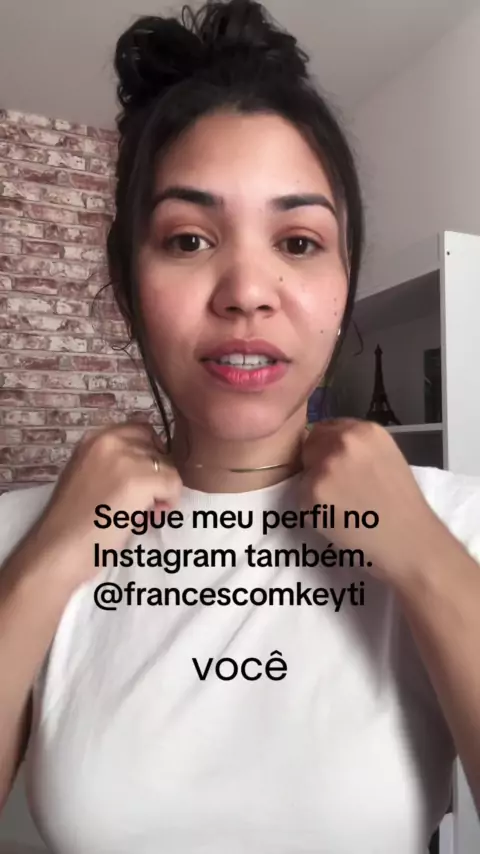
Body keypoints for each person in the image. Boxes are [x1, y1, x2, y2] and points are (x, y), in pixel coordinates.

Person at [0, 1, 479, 852]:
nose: (248, 292)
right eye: (189, 240)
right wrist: (44, 568)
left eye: (298, 242)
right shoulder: (21, 535)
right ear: (127, 285)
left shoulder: (460, 525)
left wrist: (422, 556)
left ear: (344, 283)